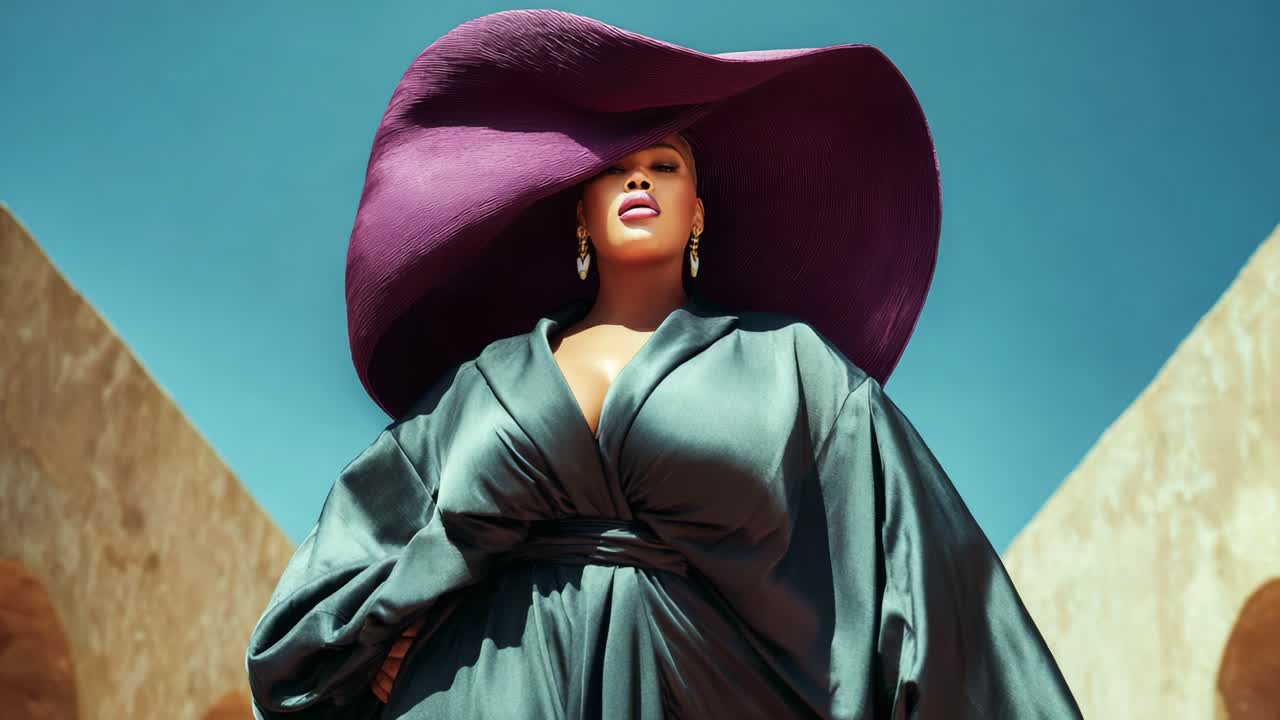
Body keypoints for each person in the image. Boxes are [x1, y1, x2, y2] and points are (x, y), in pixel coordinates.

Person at [244, 9, 1083, 719]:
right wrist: (380, 636)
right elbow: (339, 571)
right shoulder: (483, 384)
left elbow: (923, 582)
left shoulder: (793, 369)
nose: (637, 180)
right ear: (581, 212)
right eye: (613, 170)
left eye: (663, 165)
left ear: (698, 210)